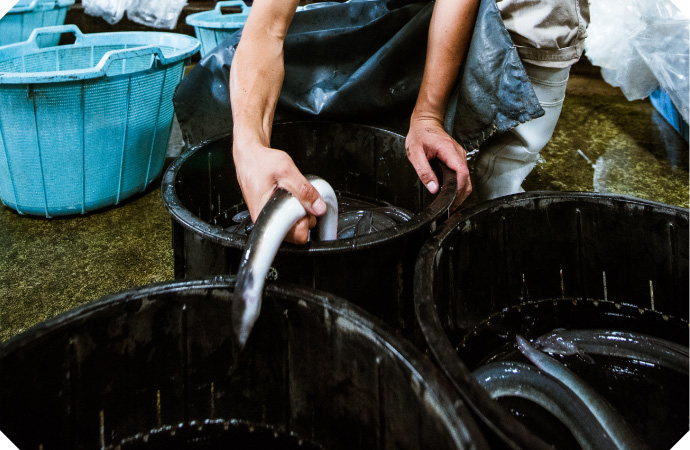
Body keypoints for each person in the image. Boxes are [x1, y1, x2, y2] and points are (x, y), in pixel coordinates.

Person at [229, 0, 480, 244]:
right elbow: (265, 29)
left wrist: (429, 114)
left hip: (441, 20)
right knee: (224, 60)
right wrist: (249, 146)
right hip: (371, 14)